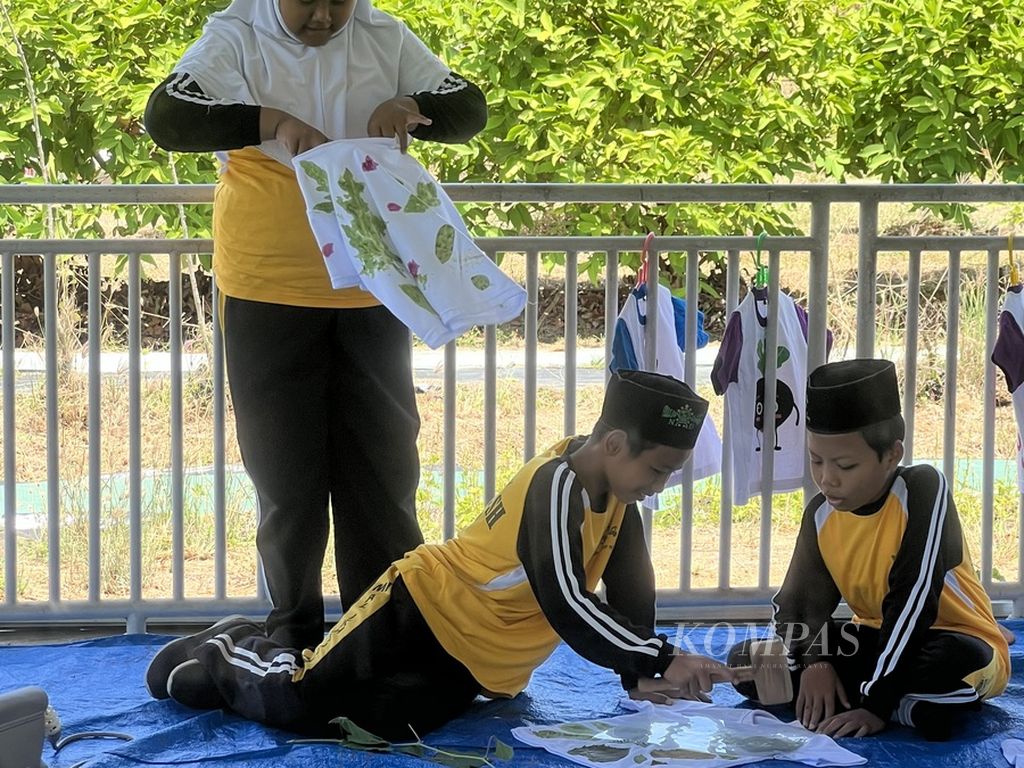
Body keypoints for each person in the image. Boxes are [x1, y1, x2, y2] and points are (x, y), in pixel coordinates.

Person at [143, 0, 488, 650]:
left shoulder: (384, 35)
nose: (327, 16)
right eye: (310, 1)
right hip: (267, 287)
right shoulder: (236, 35)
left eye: (341, 0)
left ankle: (380, 632)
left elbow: (469, 107)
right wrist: (270, 121)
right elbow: (166, 116)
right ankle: (291, 634)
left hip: (371, 288)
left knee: (383, 474)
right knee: (287, 477)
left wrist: (412, 104)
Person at [146, 371, 742, 739]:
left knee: (383, 724)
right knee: (303, 697)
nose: (661, 484)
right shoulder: (555, 485)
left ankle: (252, 664)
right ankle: (230, 650)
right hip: (418, 608)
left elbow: (634, 593)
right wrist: (660, 657)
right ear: (614, 444)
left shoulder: (620, 503)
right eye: (658, 469)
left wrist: (638, 675)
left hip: (475, 663)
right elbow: (564, 597)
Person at [729, 359, 1010, 741]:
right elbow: (798, 605)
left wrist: (875, 706)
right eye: (816, 460)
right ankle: (901, 704)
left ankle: (876, 697)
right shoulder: (820, 515)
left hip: (946, 639)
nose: (827, 479)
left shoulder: (922, 490)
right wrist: (816, 662)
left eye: (845, 465)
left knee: (947, 664)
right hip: (877, 644)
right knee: (749, 663)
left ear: (891, 454)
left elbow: (913, 598)